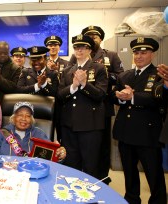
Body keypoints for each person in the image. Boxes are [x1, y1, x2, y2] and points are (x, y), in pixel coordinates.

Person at [111, 37, 166, 204]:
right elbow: (114, 94)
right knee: (129, 172)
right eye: (136, 52)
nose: (139, 56)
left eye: (144, 52)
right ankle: (132, 199)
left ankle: (158, 201)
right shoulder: (125, 75)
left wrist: (133, 96)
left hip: (147, 133)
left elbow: (158, 99)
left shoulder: (159, 75)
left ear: (153, 54)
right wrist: (119, 97)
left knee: (153, 173)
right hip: (126, 132)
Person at [70, 26, 124, 184]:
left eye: (96, 36)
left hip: (102, 105)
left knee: (101, 146)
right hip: (80, 106)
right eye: (89, 36)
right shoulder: (77, 56)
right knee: (82, 146)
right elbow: (70, 73)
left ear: (101, 39)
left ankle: (102, 177)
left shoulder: (110, 55)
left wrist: (104, 75)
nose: (93, 38)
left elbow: (121, 77)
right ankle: (82, 177)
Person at [57, 34, 108, 178]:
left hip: (90, 126)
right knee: (71, 165)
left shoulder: (99, 69)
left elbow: (100, 95)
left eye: (83, 47)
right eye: (76, 47)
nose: (79, 50)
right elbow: (60, 95)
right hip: (69, 125)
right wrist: (73, 86)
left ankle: (90, 198)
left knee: (90, 165)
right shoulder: (67, 70)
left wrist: (85, 84)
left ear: (90, 50)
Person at [0, 101, 66, 161]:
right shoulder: (2, 133)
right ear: (13, 118)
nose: (24, 118)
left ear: (32, 119)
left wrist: (59, 155)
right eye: (20, 115)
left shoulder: (39, 134)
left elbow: (52, 157)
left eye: (28, 116)